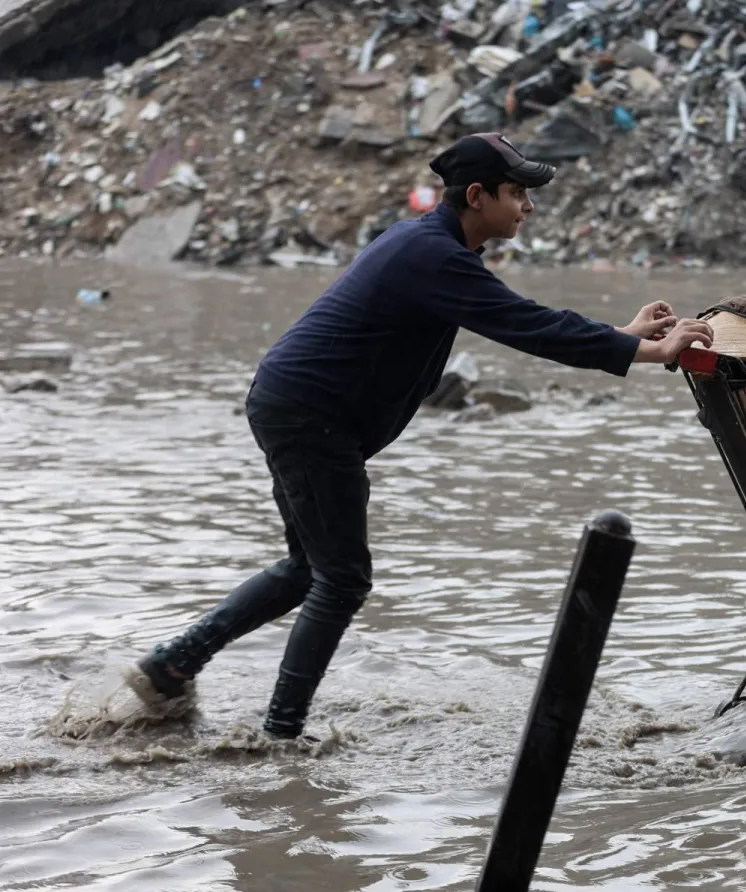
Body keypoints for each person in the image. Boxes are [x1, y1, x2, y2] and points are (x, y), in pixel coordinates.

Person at [127, 133, 713, 739]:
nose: (528, 208)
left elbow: (523, 319)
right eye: (517, 194)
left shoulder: (433, 247)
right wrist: (650, 350)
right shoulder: (432, 255)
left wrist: (625, 335)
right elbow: (531, 327)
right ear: (478, 196)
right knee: (343, 577)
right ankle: (280, 734)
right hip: (311, 416)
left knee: (311, 568)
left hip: (298, 407)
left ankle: (171, 667)